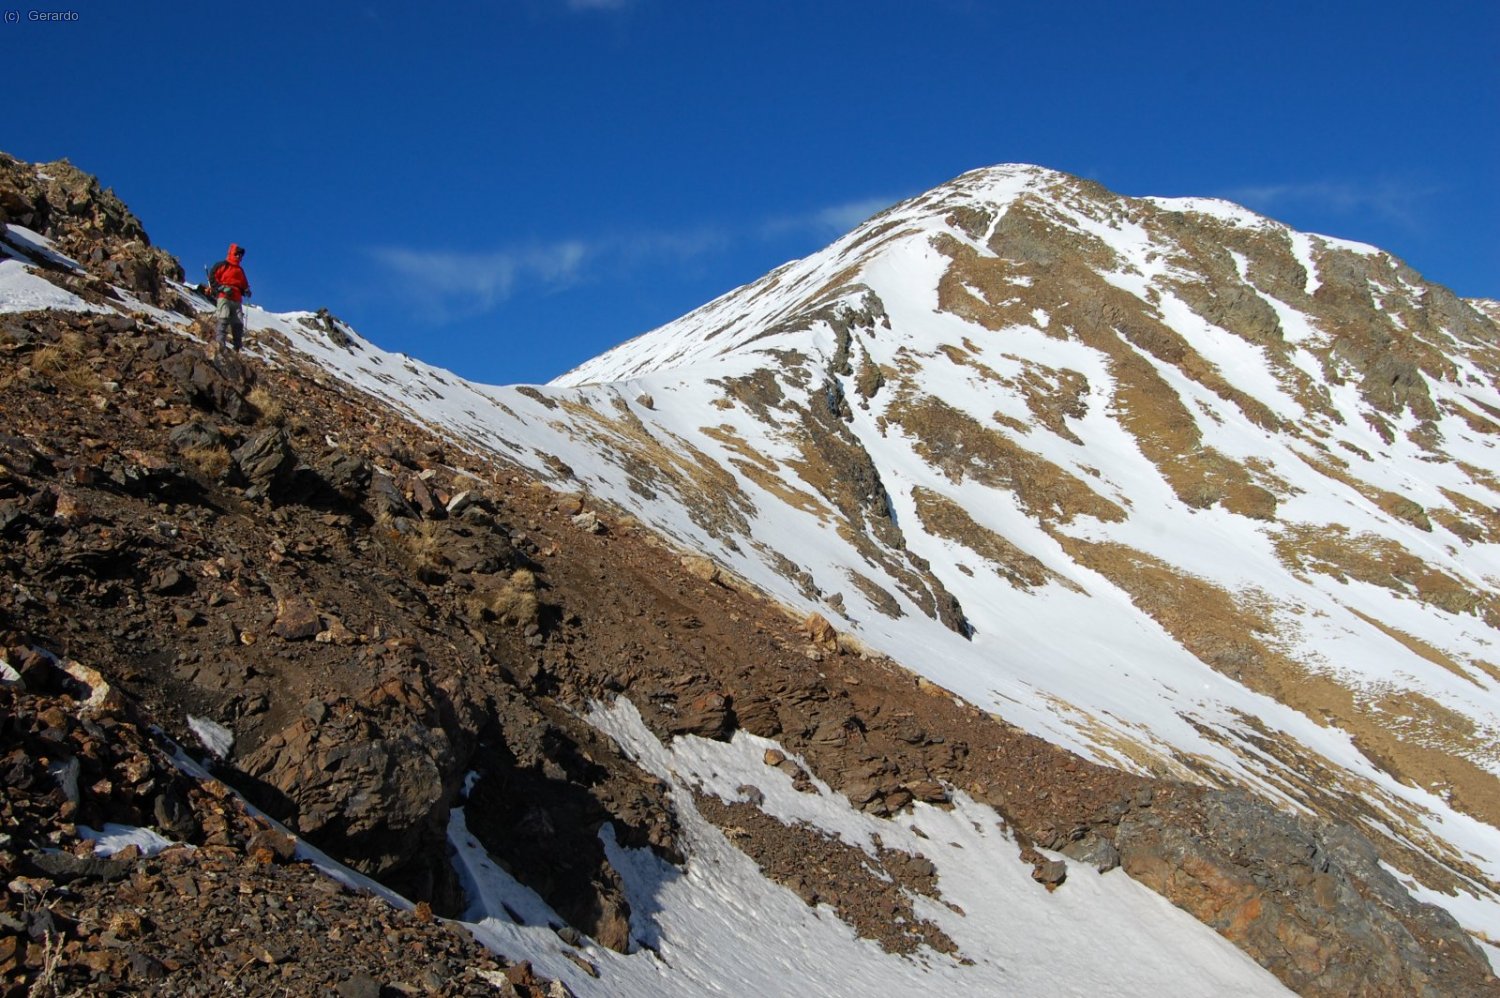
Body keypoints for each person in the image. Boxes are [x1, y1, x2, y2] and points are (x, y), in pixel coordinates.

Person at [208, 244, 251, 352]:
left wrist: (246, 290)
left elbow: (244, 284)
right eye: (237, 254)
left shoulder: (240, 270)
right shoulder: (223, 265)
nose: (239, 257)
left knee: (238, 323)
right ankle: (220, 344)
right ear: (232, 253)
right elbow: (212, 278)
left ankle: (237, 346)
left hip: (236, 298)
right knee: (224, 318)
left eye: (240, 255)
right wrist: (221, 288)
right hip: (224, 296)